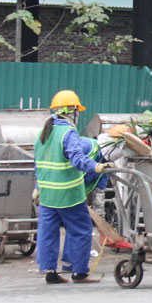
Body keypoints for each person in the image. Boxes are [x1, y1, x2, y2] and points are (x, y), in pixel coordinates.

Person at [33, 90, 114, 284]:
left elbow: (38, 163)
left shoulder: (43, 133)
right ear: (71, 111)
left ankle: (51, 272)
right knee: (81, 229)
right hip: (68, 194)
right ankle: (79, 272)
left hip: (47, 195)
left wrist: (37, 187)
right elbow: (77, 159)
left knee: (48, 232)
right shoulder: (67, 133)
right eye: (77, 110)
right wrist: (97, 166)